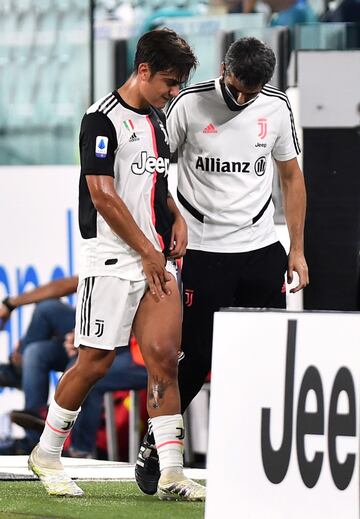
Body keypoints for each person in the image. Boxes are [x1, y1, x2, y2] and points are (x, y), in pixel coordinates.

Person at [28, 28, 204, 502]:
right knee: (95, 362)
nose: (174, 92)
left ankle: (171, 472)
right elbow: (102, 195)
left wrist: (176, 217)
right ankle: (46, 452)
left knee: (165, 359)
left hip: (156, 260)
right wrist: (146, 252)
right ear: (142, 70)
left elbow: (155, 184)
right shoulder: (100, 119)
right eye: (168, 81)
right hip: (111, 258)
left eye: (178, 84)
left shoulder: (160, 119)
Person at [135, 36, 309, 495]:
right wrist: (170, 220)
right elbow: (153, 167)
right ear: (224, 70)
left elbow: (291, 177)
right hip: (203, 251)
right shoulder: (189, 103)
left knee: (264, 360)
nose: (244, 98)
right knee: (193, 361)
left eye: (253, 92)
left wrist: (296, 249)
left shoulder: (276, 108)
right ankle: (156, 442)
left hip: (258, 247)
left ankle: (253, 460)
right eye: (237, 87)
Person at [0, 278, 147, 457]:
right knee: (37, 349)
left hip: (137, 349)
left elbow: (144, 317)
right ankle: (34, 439)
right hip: (108, 333)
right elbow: (70, 284)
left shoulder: (149, 260)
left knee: (86, 367)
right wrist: (84, 333)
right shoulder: (107, 257)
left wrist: (90, 339)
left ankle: (78, 452)